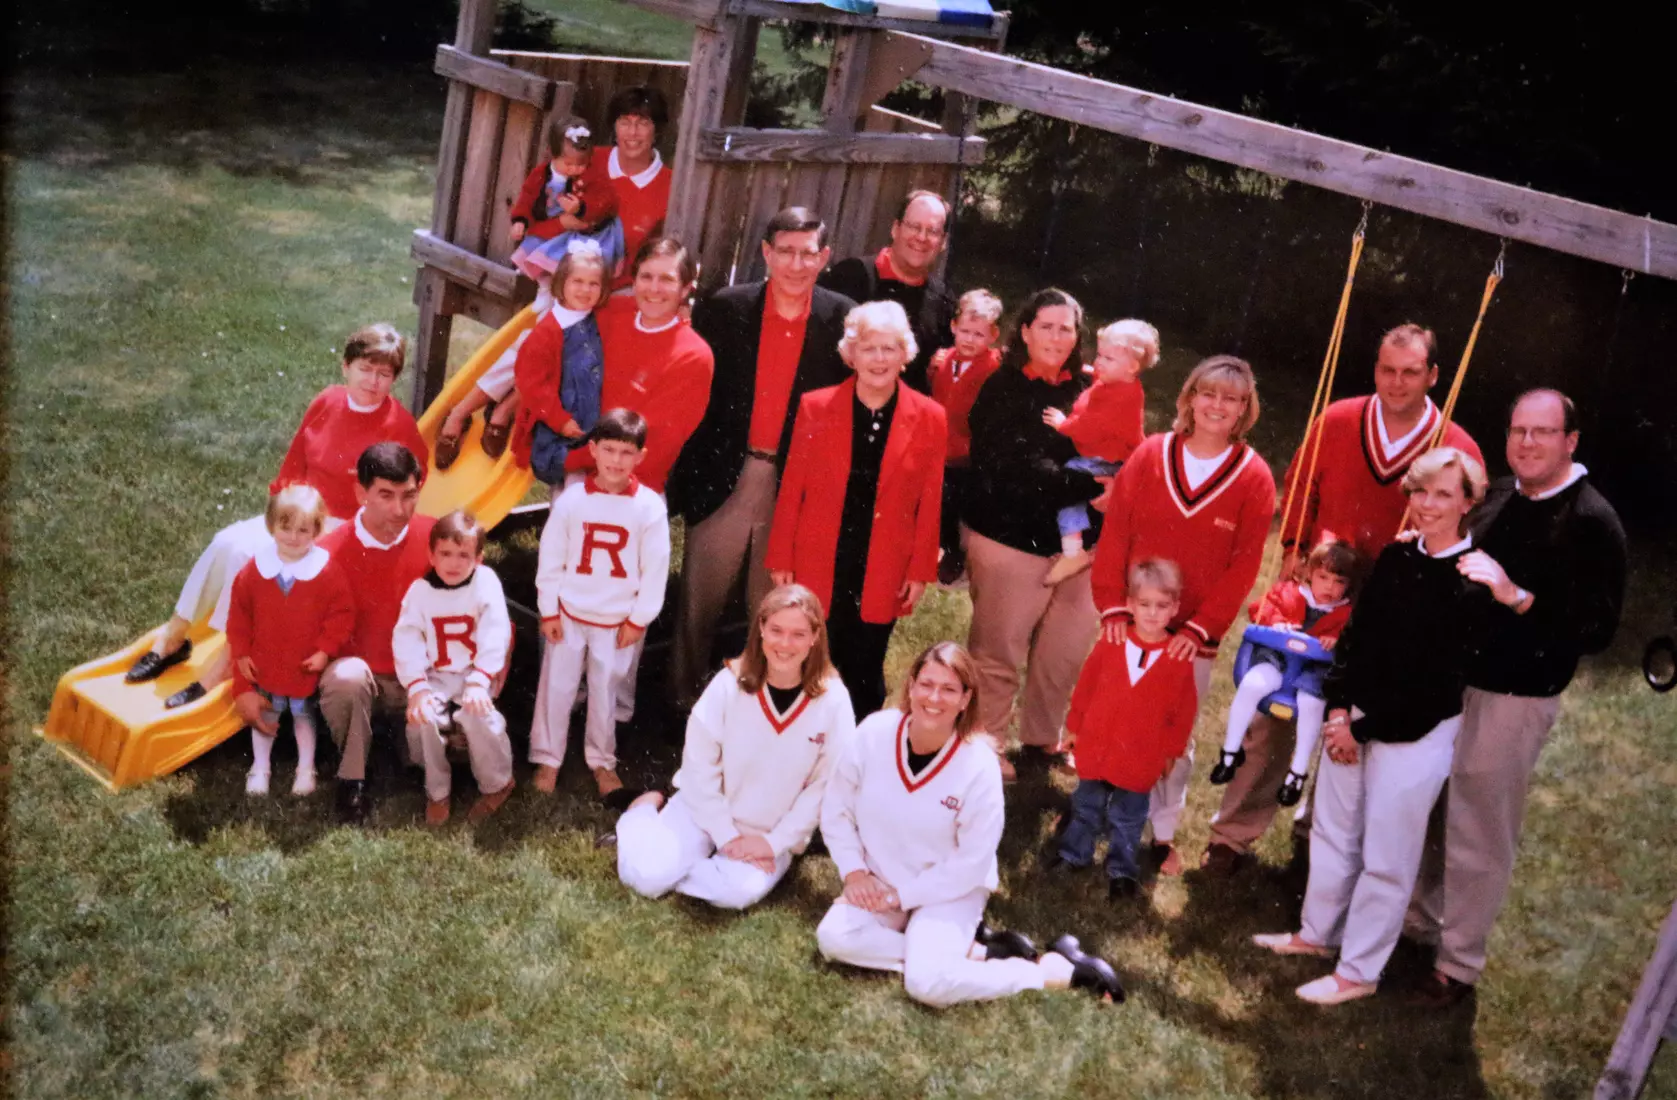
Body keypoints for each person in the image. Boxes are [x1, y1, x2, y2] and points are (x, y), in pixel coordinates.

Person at [1203, 324, 1484, 874]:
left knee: (1357, 724)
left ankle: (1319, 842)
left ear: (1432, 376)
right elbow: (1300, 491)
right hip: (1322, 600)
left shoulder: (1456, 447)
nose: (1396, 382)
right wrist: (1295, 566)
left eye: (1410, 372)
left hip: (1395, 614)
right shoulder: (1337, 420)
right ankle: (1232, 835)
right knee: (1276, 714)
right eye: (1386, 369)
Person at [1251, 446, 1508, 1005]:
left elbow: (1436, 688)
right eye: (1420, 492)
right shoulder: (1395, 559)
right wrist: (1340, 708)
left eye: (1444, 494)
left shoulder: (1470, 580)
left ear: (1469, 502)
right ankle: (1316, 935)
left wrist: (1360, 730)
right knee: (1333, 832)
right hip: (1356, 719)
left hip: (1414, 733)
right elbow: (1355, 642)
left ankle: (1359, 971)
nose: (1429, 504)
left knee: (1386, 856)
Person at [1407, 389, 1627, 1007]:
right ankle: (1417, 926)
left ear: (1571, 441)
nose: (1527, 443)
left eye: (1543, 432)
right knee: (1430, 805)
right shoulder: (1499, 496)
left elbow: (1598, 630)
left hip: (1515, 693)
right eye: (1518, 430)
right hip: (1452, 682)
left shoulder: (1591, 521)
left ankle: (1457, 964)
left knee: (1479, 826)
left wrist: (1519, 596)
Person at [125, 324, 426, 707]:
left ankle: (222, 668)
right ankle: (173, 638)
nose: (373, 380)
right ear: (345, 367)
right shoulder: (327, 402)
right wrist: (281, 510)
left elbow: (409, 488)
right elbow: (297, 458)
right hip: (299, 510)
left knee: (261, 567)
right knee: (230, 543)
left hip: (345, 529)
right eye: (365, 369)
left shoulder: (397, 426)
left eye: (385, 374)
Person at [816, 642, 1123, 1005]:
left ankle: (1047, 971)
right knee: (833, 937)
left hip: (950, 891)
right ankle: (979, 954)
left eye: (949, 689)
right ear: (911, 685)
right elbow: (836, 808)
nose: (934, 698)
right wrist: (854, 873)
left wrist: (902, 897)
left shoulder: (979, 764)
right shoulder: (874, 732)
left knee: (927, 985)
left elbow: (972, 862)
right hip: (879, 878)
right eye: (927, 684)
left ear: (966, 699)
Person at [1090, 355, 1276, 874]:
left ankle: (1161, 831)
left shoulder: (1254, 475)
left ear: (1245, 410)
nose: (1218, 406)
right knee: (1113, 716)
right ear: (1190, 397)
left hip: (1190, 635)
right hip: (1130, 619)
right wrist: (1112, 604)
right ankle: (1094, 812)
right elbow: (1117, 532)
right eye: (1209, 393)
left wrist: (1200, 628)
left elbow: (1244, 567)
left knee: (1173, 733)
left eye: (1232, 398)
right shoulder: (1153, 453)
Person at [668, 207, 855, 704]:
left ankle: (761, 704)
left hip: (792, 482)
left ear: (824, 258)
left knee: (771, 605)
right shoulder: (727, 308)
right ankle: (681, 701)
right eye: (785, 252)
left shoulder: (842, 320)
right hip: (728, 470)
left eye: (808, 253)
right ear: (767, 253)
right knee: (698, 601)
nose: (796, 264)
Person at [616, 585, 854, 909]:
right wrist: (725, 836)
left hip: (768, 829)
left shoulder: (834, 701)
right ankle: (641, 813)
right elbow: (699, 766)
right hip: (703, 810)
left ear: (815, 636)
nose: (785, 644)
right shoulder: (729, 683)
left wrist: (774, 843)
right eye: (776, 631)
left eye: (798, 634)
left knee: (735, 894)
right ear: (760, 629)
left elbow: (825, 786)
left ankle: (677, 864)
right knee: (643, 878)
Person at [559, 236, 715, 727]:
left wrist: (578, 464)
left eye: (667, 279)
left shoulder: (693, 354)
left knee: (626, 597)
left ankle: (614, 708)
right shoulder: (608, 320)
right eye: (646, 275)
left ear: (686, 287)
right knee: (570, 584)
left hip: (636, 488)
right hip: (580, 477)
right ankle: (563, 694)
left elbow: (662, 439)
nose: (653, 288)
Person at [766, 301, 946, 717]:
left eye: (889, 349)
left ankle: (859, 752)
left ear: (905, 355)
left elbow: (931, 500)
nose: (878, 359)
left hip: (883, 559)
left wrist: (919, 569)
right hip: (820, 552)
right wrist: (781, 556)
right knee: (811, 656)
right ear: (851, 354)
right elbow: (792, 488)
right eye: (868, 348)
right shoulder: (816, 406)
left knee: (865, 663)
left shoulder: (930, 417)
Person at [962, 288, 1105, 782]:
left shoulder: (1093, 387)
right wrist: (1093, 483)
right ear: (1025, 331)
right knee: (998, 652)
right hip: (1011, 539)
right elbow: (1016, 469)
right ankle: (986, 740)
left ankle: (1043, 741)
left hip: (1080, 545)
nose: (1057, 336)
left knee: (1062, 651)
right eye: (1047, 326)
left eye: (1067, 328)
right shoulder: (1001, 387)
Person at [530, 409, 671, 798]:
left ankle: (601, 760)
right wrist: (549, 609)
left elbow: (655, 570)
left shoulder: (649, 507)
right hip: (571, 613)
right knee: (556, 686)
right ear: (592, 450)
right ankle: (547, 756)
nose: (616, 461)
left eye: (627, 453)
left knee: (605, 690)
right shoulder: (573, 501)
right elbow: (551, 559)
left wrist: (639, 619)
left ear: (641, 456)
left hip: (616, 618)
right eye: (608, 450)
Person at [1052, 559, 1198, 900]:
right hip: (1098, 744)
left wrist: (1170, 752)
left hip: (1140, 754)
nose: (1151, 614)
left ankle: (1121, 869)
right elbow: (1086, 685)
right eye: (1144, 604)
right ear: (1130, 604)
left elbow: (1183, 713)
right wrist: (1074, 726)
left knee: (1128, 817)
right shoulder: (1113, 641)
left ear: (1174, 608)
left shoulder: (1177, 657)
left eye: (1162, 606)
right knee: (1086, 806)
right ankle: (1074, 854)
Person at [313, 443, 437, 825]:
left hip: (421, 679)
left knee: (457, 754)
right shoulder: (327, 553)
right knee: (346, 678)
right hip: (362, 680)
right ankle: (353, 777)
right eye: (385, 495)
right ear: (360, 493)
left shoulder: (440, 540)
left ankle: (408, 748)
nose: (399, 510)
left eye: (409, 496)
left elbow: (485, 604)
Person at [223, 484, 355, 798]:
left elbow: (342, 613)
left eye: (303, 530)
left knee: (303, 715)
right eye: (286, 528)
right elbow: (238, 616)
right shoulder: (254, 570)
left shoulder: (326, 571)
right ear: (272, 526)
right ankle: (260, 766)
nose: (294, 537)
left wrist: (325, 650)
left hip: (303, 662)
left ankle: (306, 767)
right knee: (266, 714)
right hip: (266, 661)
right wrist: (241, 653)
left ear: (316, 531)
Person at [1211, 540, 1359, 806]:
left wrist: (1336, 639)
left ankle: (1297, 773)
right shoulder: (1289, 592)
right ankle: (1230, 753)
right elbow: (1260, 608)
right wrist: (1277, 622)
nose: (1329, 587)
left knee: (1312, 702)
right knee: (1253, 684)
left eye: (1339, 581)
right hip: (1277, 661)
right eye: (1323, 577)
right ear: (1309, 573)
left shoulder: (1346, 613)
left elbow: (1353, 635)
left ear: (1348, 586)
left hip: (1312, 673)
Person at [392, 510, 515, 826]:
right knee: (424, 717)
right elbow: (407, 638)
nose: (454, 563)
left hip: (475, 672)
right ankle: (437, 790)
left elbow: (495, 630)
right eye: (445, 554)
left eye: (464, 555)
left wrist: (480, 678)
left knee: (478, 714)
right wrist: (417, 687)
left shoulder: (485, 582)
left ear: (479, 558)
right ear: (431, 555)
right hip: (436, 675)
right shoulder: (420, 592)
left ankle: (498, 783)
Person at [1041, 318, 1159, 586]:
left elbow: (1089, 426)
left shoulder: (1119, 397)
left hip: (1105, 459)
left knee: (1068, 484)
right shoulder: (1119, 383)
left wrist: (1063, 424)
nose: (1099, 363)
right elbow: (1099, 379)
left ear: (1131, 366)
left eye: (1108, 358)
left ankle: (1074, 550)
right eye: (1100, 355)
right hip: (1108, 456)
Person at [818, 190, 957, 393]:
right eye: (914, 226)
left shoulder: (944, 303)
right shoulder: (850, 277)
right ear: (895, 228)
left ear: (943, 242)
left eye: (933, 231)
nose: (921, 237)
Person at [510, 241, 608, 487]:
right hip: (560, 426)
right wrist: (559, 419)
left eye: (593, 283)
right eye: (578, 282)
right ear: (561, 283)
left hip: (591, 421)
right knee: (569, 483)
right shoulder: (547, 333)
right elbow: (531, 385)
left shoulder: (597, 319)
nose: (585, 290)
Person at [926, 289, 1004, 585]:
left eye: (979, 335)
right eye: (966, 332)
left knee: (954, 501)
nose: (971, 340)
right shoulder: (944, 361)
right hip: (938, 444)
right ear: (954, 327)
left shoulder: (994, 368)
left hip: (967, 451)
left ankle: (954, 551)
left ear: (993, 335)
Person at [509, 116, 623, 284]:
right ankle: (544, 289)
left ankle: (553, 290)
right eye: (568, 164)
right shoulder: (541, 175)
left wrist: (580, 209)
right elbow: (527, 198)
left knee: (564, 262)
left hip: (584, 231)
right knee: (536, 248)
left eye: (581, 164)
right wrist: (520, 220)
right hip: (553, 226)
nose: (575, 169)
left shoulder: (592, 175)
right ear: (552, 154)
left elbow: (605, 201)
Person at [593, 84, 673, 292]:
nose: (633, 132)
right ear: (614, 127)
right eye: (624, 122)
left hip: (627, 295)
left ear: (657, 130)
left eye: (643, 123)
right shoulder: (587, 162)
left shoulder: (671, 186)